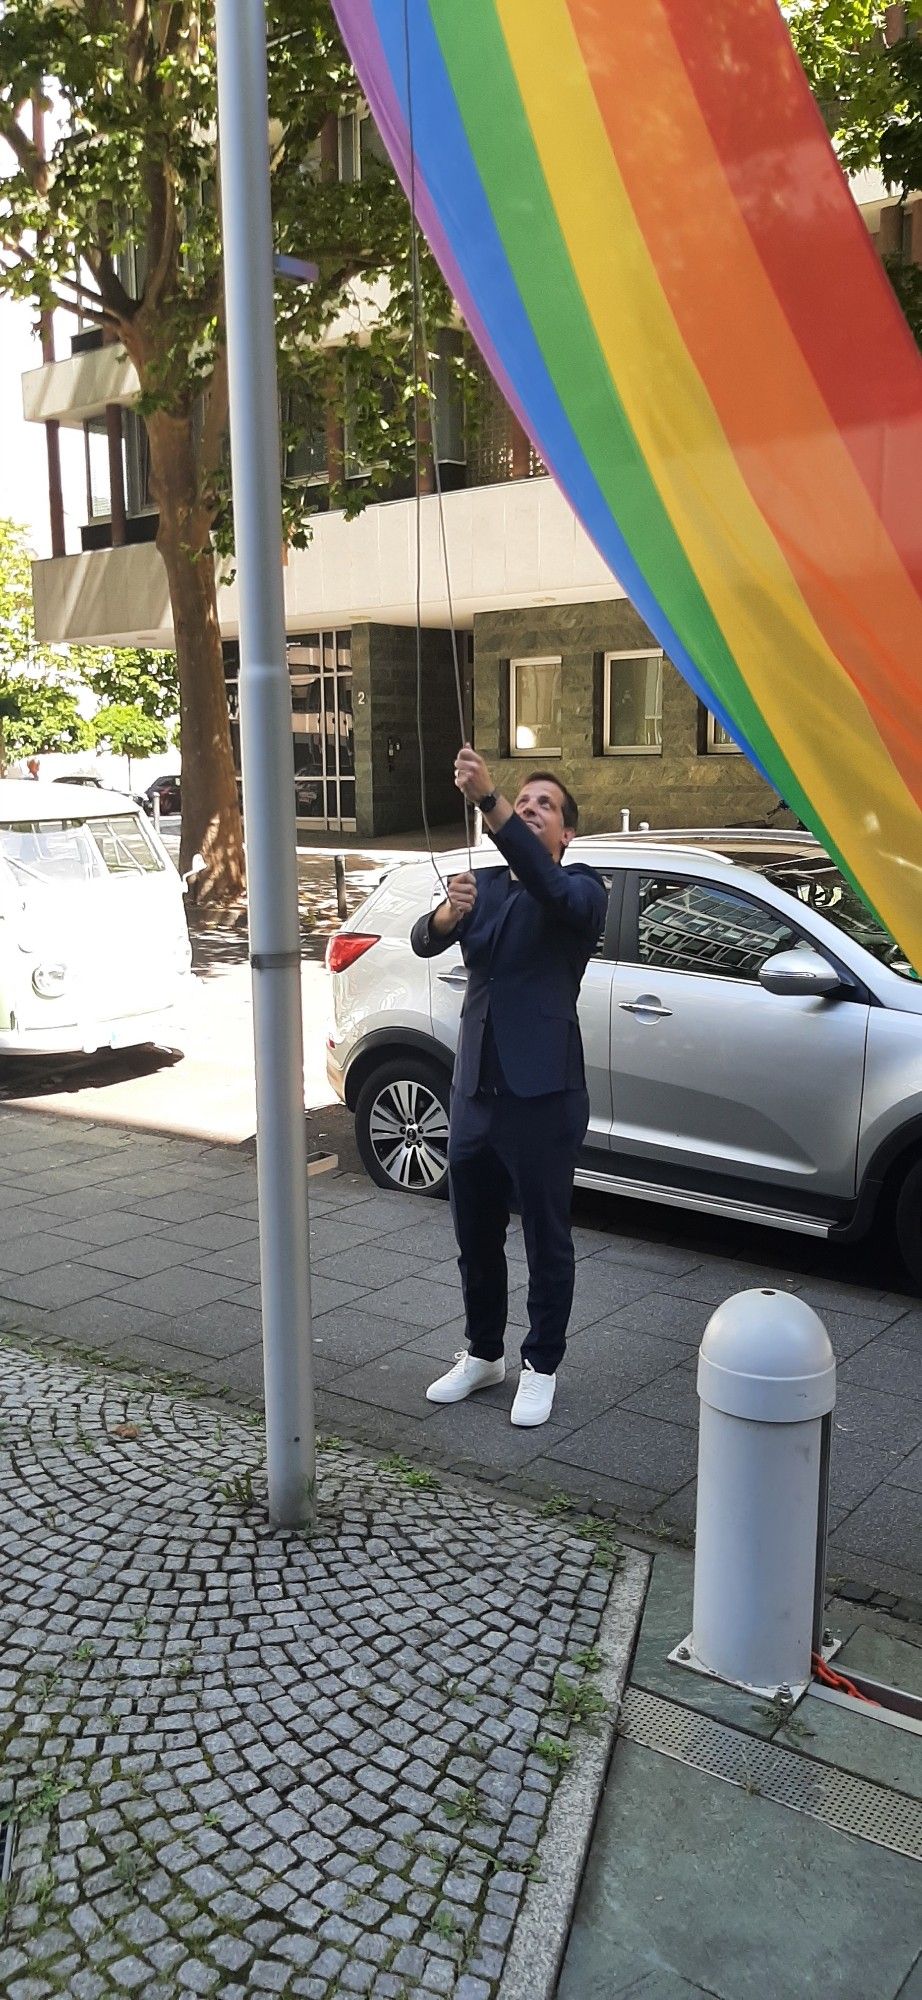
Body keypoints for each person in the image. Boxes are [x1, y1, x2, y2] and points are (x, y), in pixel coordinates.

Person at [410, 747, 607, 1428]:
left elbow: (546, 886)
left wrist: (490, 801)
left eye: (542, 806)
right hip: (475, 1090)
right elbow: (423, 941)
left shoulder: (581, 889)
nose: (528, 810)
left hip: (543, 1094)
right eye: (522, 803)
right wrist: (444, 916)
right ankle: (483, 1353)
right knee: (475, 1233)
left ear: (566, 833)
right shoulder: (487, 887)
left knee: (547, 1239)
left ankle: (541, 1364)